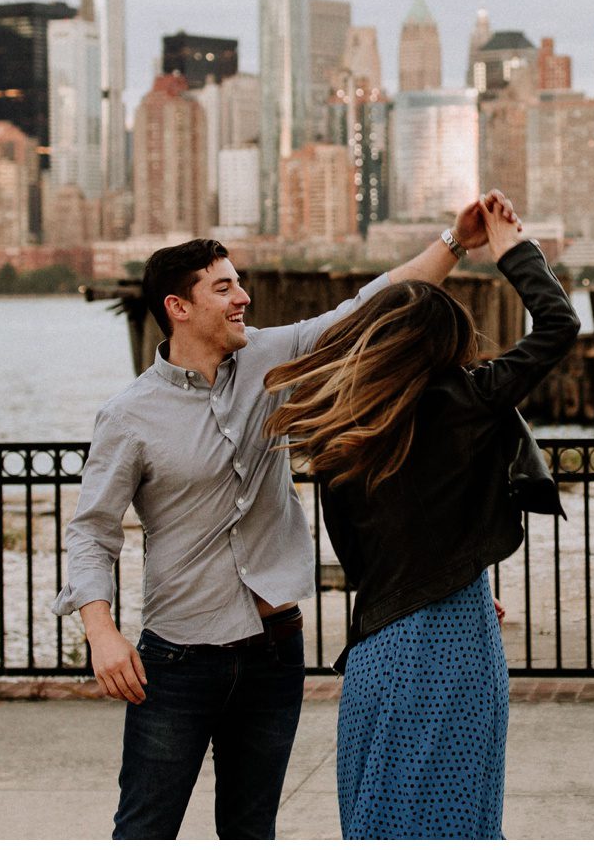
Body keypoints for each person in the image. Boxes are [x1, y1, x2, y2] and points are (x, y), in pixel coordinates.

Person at [55, 192, 519, 840]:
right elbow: (92, 529)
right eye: (224, 287)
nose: (242, 296)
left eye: (240, 282)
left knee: (252, 829)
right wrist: (102, 633)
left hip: (274, 655)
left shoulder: (271, 363)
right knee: (145, 827)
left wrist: (456, 242)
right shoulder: (129, 414)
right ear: (178, 308)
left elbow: (365, 308)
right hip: (180, 660)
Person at [264, 196, 579, 840]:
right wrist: (514, 252)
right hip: (456, 636)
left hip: (378, 646)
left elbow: (359, 553)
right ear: (448, 342)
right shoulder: (469, 397)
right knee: (458, 813)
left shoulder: (342, 428)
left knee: (381, 812)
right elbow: (557, 326)